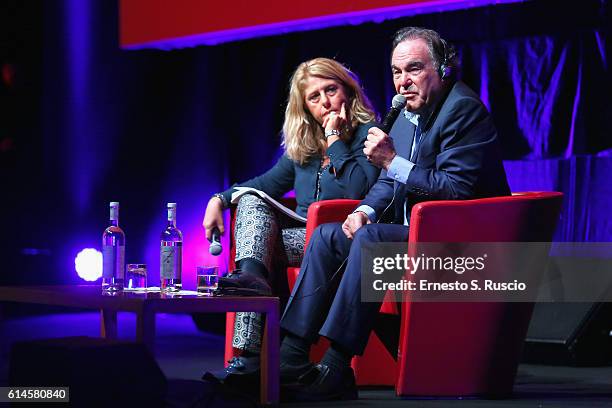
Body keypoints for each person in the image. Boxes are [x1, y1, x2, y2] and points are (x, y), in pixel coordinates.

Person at [278, 27, 511, 401]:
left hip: (464, 239)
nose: (403, 82)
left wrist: (390, 161)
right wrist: (366, 209)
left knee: (373, 243)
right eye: (396, 72)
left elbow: (456, 190)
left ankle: (337, 367)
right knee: (328, 236)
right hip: (416, 236)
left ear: (444, 69)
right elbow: (392, 178)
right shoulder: (405, 112)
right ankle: (290, 355)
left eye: (414, 69)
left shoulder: (463, 110)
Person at [202, 57, 380, 378]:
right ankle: (251, 283)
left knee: (257, 243)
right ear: (305, 107)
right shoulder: (305, 147)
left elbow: (358, 188)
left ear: (348, 92)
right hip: (302, 238)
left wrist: (335, 139)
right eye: (315, 97)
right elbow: (262, 185)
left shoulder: (370, 134)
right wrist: (219, 199)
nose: (325, 102)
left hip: (339, 241)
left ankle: (250, 357)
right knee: (252, 203)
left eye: (331, 90)